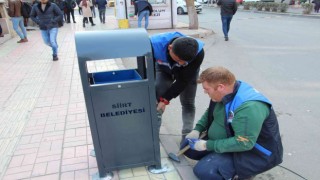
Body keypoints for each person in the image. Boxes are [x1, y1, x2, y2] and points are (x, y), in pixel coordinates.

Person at [181, 66, 283, 179]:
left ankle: (239, 174)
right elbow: (210, 112)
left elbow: (244, 143)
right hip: (229, 139)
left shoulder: (249, 107)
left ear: (220, 87)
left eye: (206, 89)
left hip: (249, 152)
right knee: (187, 146)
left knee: (205, 171)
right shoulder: (225, 92)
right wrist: (198, 129)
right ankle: (218, 160)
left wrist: (207, 145)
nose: (205, 92)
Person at [149, 32, 205, 144]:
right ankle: (153, 133)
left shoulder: (198, 52)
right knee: (156, 100)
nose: (181, 63)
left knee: (188, 102)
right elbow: (148, 72)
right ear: (170, 48)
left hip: (187, 74)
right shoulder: (154, 45)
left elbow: (183, 81)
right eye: (179, 60)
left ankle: (186, 136)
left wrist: (165, 99)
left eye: (185, 62)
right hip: (164, 68)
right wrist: (158, 97)